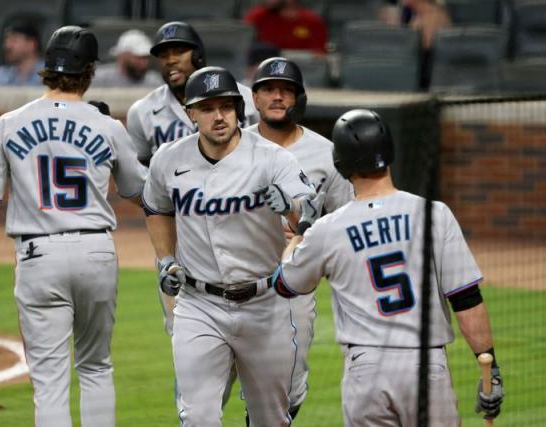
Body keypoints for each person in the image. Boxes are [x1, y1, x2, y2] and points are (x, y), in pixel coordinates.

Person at [0, 26, 147, 427]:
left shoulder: (9, 123)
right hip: (97, 252)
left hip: (38, 255)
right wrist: (104, 128)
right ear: (91, 70)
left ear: (46, 66)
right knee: (95, 367)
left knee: (50, 381)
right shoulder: (107, 126)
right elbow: (137, 189)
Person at [271, 109, 505, 426]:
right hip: (426, 366)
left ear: (340, 164)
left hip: (366, 371)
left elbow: (285, 283)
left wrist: (302, 231)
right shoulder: (435, 214)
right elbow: (466, 298)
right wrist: (489, 364)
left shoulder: (328, 229)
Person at [142, 65, 315, 426]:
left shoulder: (273, 158)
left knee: (271, 418)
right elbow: (157, 208)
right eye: (207, 108)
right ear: (190, 113)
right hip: (198, 305)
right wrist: (166, 260)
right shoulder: (168, 160)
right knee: (198, 417)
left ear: (239, 109)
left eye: (225, 106)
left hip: (265, 305)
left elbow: (309, 218)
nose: (218, 116)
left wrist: (289, 206)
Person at [247, 56, 353, 421]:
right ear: (255, 98)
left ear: (298, 98)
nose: (277, 97)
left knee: (289, 386)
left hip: (295, 282)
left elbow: (346, 220)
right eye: (269, 90)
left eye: (286, 90)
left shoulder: (326, 153)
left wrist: (309, 224)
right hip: (237, 275)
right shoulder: (232, 146)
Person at [127, 21, 259, 169]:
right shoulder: (141, 111)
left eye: (179, 51)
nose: (171, 60)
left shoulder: (244, 97)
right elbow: (142, 169)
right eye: (164, 55)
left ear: (198, 56)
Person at [244, 0, 328, 54]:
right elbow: (243, 49)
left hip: (300, 72)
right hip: (264, 70)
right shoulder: (258, 16)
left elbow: (318, 56)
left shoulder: (312, 21)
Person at [92, 29, 161, 88]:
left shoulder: (155, 82)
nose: (144, 63)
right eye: (138, 58)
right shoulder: (98, 78)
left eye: (146, 58)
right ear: (122, 56)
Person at [0, 21, 44, 86]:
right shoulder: (1, 74)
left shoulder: (50, 75)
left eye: (14, 40)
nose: (7, 46)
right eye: (6, 41)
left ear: (31, 44)